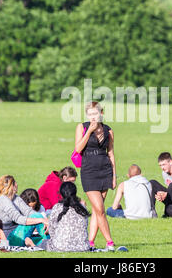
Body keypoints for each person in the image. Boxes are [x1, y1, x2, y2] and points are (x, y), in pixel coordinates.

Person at [74, 101, 116, 251]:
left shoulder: (108, 130)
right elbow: (78, 148)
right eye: (90, 114)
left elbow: (110, 153)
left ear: (101, 113)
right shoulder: (82, 127)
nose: (92, 117)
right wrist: (89, 132)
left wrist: (114, 176)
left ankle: (90, 241)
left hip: (105, 170)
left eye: (95, 114)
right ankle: (110, 242)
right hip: (89, 171)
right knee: (100, 209)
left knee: (98, 210)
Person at [0, 175, 48, 246]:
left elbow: (29, 212)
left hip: (16, 234)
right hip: (7, 238)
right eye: (15, 183)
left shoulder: (15, 198)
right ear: (12, 186)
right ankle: (49, 242)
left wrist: (43, 219)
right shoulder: (3, 200)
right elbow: (18, 219)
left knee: (38, 239)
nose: (17, 185)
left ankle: (47, 242)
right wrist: (41, 220)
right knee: (37, 218)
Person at [39, 182, 91, 252]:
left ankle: (31, 244)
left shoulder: (57, 207)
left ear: (61, 193)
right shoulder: (82, 208)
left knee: (42, 243)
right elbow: (85, 226)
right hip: (83, 247)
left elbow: (52, 229)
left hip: (60, 247)